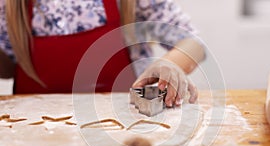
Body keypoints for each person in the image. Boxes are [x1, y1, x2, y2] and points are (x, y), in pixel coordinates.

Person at [0, 0, 205, 107]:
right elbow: (8, 67)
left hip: (126, 130)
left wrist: (172, 64)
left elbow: (193, 43)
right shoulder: (8, 5)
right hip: (33, 136)